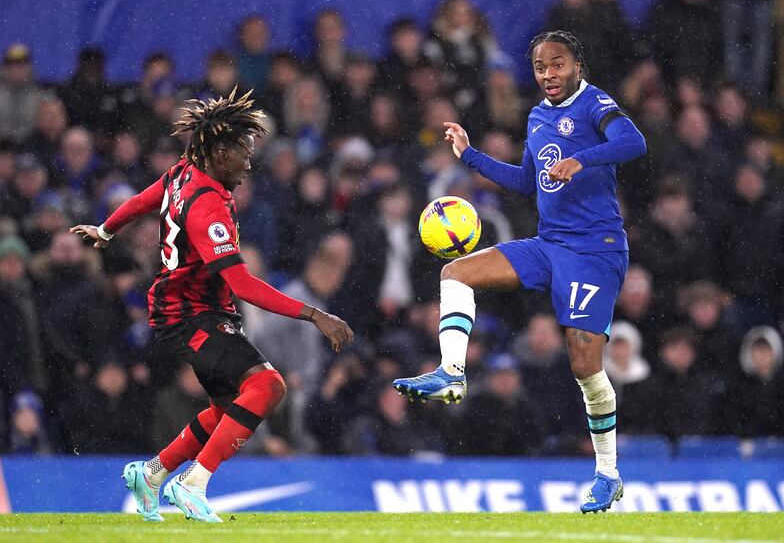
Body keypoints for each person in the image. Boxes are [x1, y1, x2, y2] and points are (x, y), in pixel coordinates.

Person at [70, 88, 352, 522]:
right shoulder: (206, 208)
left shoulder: (184, 172)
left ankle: (153, 473)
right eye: (243, 152)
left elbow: (148, 197)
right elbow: (240, 282)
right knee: (268, 386)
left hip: (187, 309)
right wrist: (315, 314)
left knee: (226, 410)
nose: (249, 163)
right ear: (219, 152)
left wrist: (107, 229)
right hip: (190, 315)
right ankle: (194, 482)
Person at [392, 30, 646, 513]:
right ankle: (451, 372)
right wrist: (469, 156)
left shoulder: (596, 103)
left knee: (583, 364)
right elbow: (527, 181)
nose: (548, 74)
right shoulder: (536, 116)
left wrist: (581, 159)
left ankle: (608, 474)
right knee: (456, 274)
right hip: (550, 244)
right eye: (540, 67)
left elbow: (633, 142)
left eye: (557, 64)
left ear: (577, 65)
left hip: (596, 249)